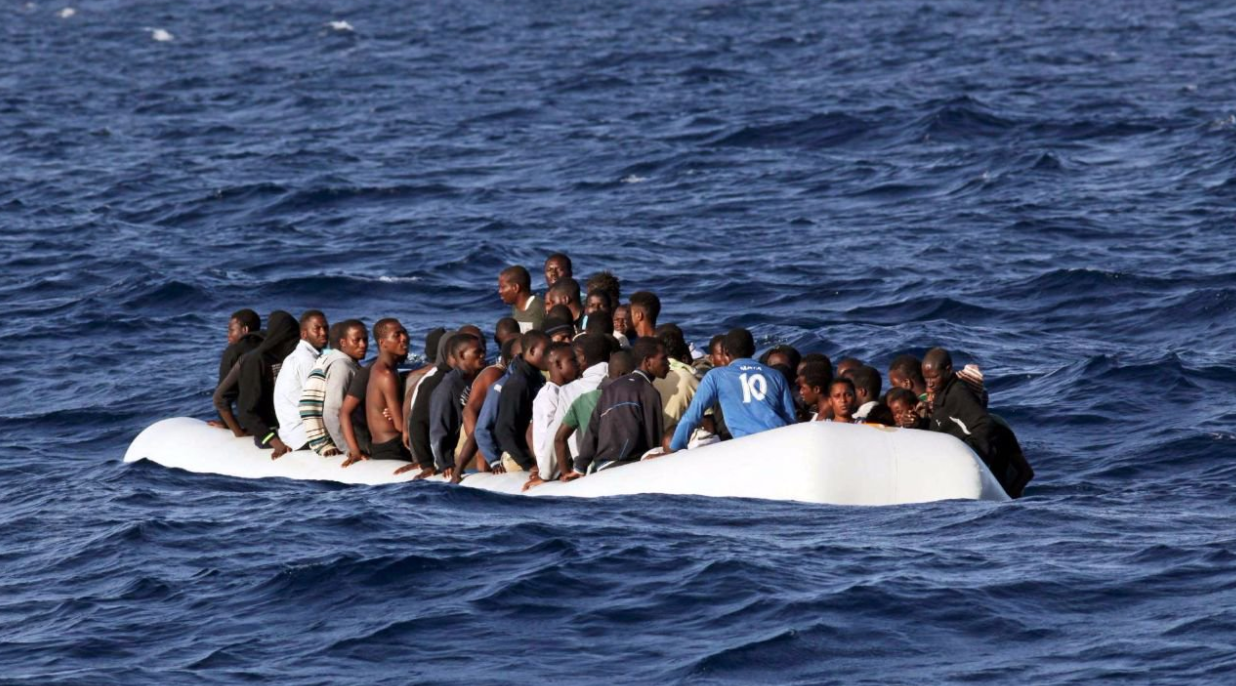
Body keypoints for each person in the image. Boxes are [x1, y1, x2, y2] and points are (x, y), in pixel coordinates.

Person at [668, 328, 796, 452]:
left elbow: (692, 416)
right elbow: (790, 418)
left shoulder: (716, 376)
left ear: (726, 352)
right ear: (753, 349)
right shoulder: (775, 375)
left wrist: (675, 449)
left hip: (747, 446)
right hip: (780, 441)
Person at [569, 338, 668, 475]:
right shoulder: (648, 392)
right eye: (663, 358)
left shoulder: (611, 387)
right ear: (648, 362)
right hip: (626, 467)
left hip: (600, 467)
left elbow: (593, 429)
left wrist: (580, 467)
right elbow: (654, 442)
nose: (668, 363)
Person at [451, 336, 522, 481]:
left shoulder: (513, 378)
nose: (483, 355)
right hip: (473, 440)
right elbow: (469, 413)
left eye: (484, 351)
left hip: (481, 436)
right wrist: (484, 455)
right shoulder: (495, 375)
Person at [236, 311, 301, 457]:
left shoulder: (294, 357)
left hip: (292, 424)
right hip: (270, 432)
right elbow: (246, 410)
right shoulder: (256, 361)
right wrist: (275, 442)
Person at [424, 333, 487, 479]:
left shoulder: (478, 379)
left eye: (483, 351)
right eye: (477, 352)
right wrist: (444, 463)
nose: (483, 355)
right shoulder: (448, 386)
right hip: (456, 456)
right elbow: (438, 429)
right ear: (461, 355)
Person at [300, 319, 367, 456]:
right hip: (355, 442)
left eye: (365, 340)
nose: (363, 345)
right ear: (343, 343)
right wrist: (348, 449)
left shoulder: (332, 359)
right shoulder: (342, 366)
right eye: (357, 340)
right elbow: (331, 412)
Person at [525, 341, 581, 489]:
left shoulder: (567, 390)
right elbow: (547, 436)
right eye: (572, 360)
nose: (578, 364)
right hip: (553, 468)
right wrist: (545, 470)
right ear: (558, 364)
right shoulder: (549, 395)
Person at [494, 330, 550, 474]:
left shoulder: (535, 377)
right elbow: (504, 430)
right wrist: (528, 464)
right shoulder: (518, 384)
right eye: (546, 351)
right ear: (531, 351)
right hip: (518, 460)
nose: (551, 356)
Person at [273, 310, 329, 452]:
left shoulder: (303, 355)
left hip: (293, 432)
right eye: (317, 329)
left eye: (325, 328)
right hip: (302, 436)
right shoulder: (306, 361)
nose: (323, 333)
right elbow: (320, 402)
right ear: (304, 334)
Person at [403, 330, 458, 474]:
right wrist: (426, 463)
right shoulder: (435, 379)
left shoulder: (455, 377)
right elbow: (417, 422)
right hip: (435, 458)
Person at [210, 309, 265, 435]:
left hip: (253, 423)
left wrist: (234, 430)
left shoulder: (234, 352)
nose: (228, 335)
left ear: (245, 330)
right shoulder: (270, 344)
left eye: (231, 330)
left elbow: (222, 398)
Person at [365, 318, 412, 464]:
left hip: (380, 446)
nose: (404, 338)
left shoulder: (377, 368)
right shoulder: (387, 375)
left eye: (404, 333)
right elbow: (399, 425)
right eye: (397, 335)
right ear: (382, 343)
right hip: (394, 448)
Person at [653, 327, 700, 432]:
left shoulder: (650, 378)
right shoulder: (691, 378)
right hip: (679, 439)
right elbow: (708, 420)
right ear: (685, 358)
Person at [499, 265, 545, 332]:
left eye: (503, 287)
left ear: (515, 288)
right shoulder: (515, 308)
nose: (500, 291)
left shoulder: (539, 307)